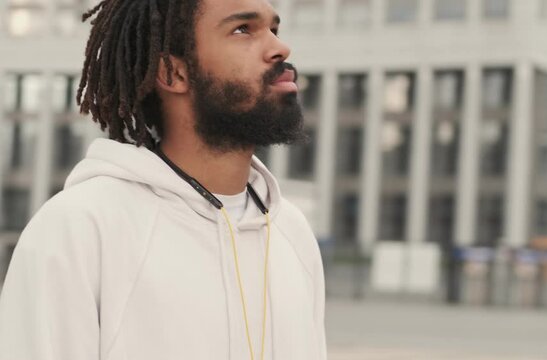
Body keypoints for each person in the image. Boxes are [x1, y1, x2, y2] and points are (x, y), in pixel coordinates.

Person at [0, 0, 327, 359]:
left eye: (274, 29)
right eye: (242, 29)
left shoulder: (291, 233)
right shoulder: (79, 228)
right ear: (173, 74)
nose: (280, 48)